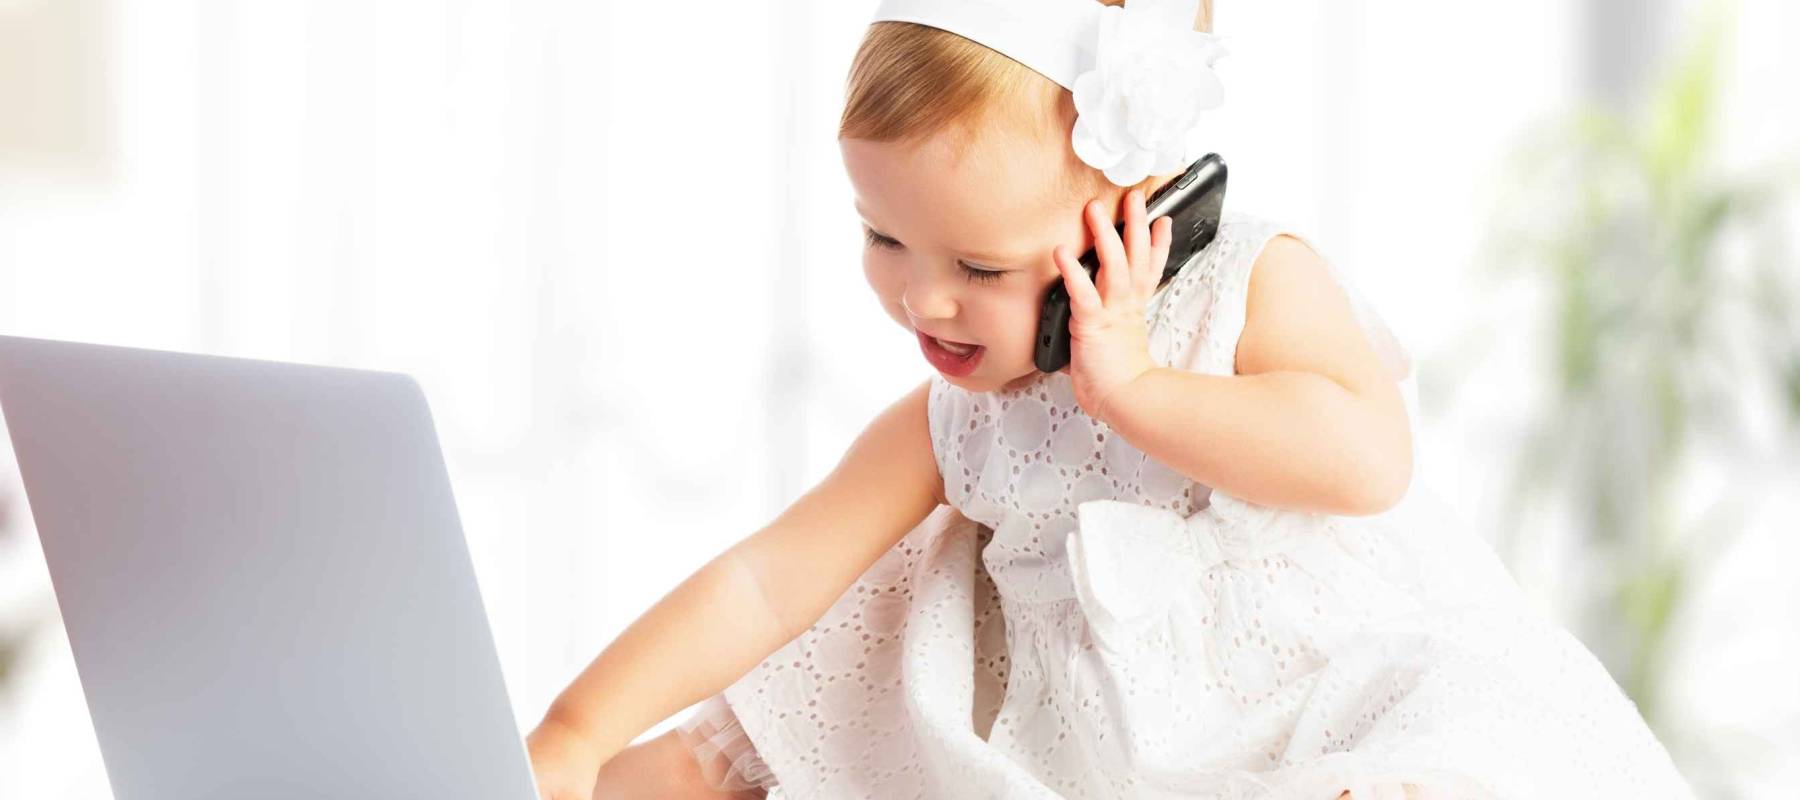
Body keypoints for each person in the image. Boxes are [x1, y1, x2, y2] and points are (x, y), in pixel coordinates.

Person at [526, 1, 1699, 797]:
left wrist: (1137, 387)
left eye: (979, 267)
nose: (922, 301)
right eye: (883, 236)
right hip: (1107, 747)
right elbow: (765, 581)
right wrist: (573, 729)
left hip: (1317, 700)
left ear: (1135, 204)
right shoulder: (956, 426)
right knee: (822, 672)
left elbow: (1366, 458)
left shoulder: (1246, 284)